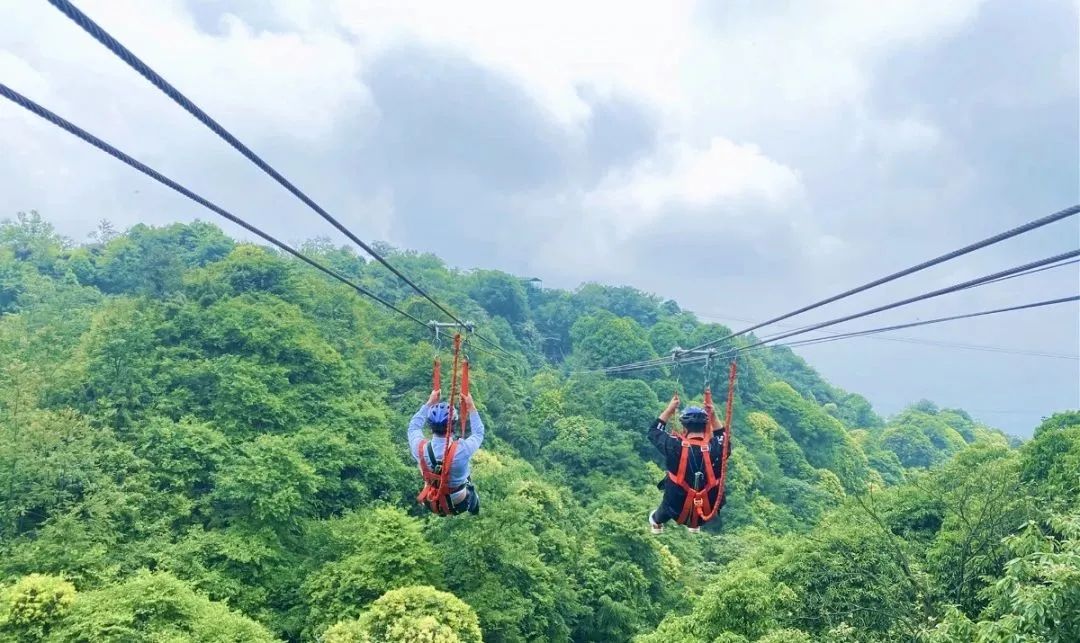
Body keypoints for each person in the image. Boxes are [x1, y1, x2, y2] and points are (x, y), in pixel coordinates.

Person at [648, 393, 726, 534]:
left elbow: (654, 431)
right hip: (708, 512)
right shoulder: (717, 447)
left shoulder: (674, 445)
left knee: (661, 512)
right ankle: (695, 524)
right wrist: (713, 416)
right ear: (705, 426)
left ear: (684, 428)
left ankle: (656, 522)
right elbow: (722, 436)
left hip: (675, 510)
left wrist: (669, 410)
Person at [408, 389, 484, 515]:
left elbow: (413, 427)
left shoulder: (420, 448)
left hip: (431, 501)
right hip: (459, 502)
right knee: (470, 488)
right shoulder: (462, 449)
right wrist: (471, 405)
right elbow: (479, 433)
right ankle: (474, 509)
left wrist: (429, 402)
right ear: (453, 426)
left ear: (431, 427)